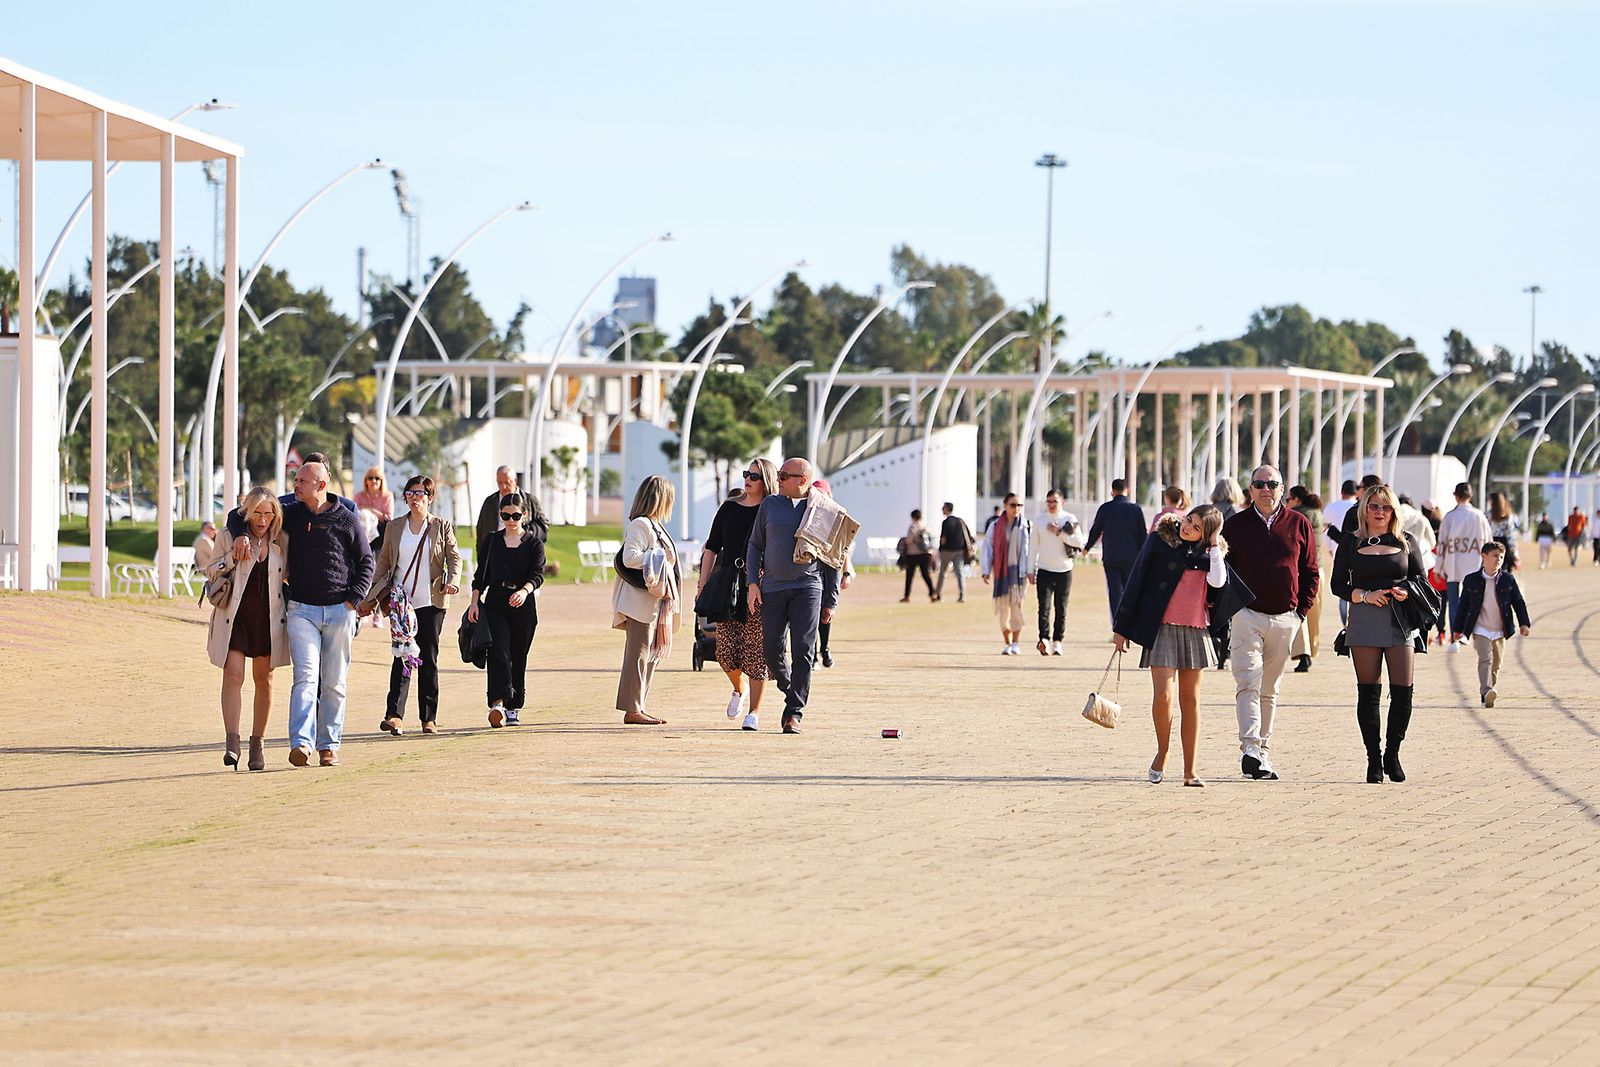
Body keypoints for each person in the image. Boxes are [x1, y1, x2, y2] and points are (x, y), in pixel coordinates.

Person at [1114, 505, 1249, 787]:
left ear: (1207, 534)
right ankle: (1162, 752)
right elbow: (1136, 580)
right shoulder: (1159, 539)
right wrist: (1122, 628)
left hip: (1195, 630)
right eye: (1189, 520)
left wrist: (1214, 545)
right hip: (1161, 628)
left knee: (1191, 701)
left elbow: (1218, 582)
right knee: (1163, 696)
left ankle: (1190, 771)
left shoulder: (1211, 553)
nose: (1188, 527)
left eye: (1197, 527)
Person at [1221, 465, 1319, 781]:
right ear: (1250, 490)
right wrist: (1232, 609)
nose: (1266, 489)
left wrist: (1300, 612)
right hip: (1247, 616)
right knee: (1247, 681)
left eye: (1272, 484)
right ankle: (1250, 749)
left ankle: (1264, 750)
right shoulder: (1234, 526)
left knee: (1269, 688)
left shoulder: (1299, 524)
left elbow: (1311, 572)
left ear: (1282, 489)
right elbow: (1222, 571)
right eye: (1259, 484)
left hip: (1286, 618)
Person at [274, 461, 373, 768]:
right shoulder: (289, 513)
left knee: (334, 682)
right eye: (296, 478)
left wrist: (353, 600)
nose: (296, 484)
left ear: (320, 484)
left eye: (302, 480)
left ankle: (328, 746)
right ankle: (301, 743)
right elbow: (243, 517)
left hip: (340, 611)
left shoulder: (346, 518)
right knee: (304, 678)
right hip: (301, 610)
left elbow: (366, 561)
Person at [1330, 484, 1426, 784]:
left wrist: (1405, 590)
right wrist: (1363, 595)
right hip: (1364, 618)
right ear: (1364, 509)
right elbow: (1336, 585)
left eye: (1386, 507)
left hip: (1400, 620)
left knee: (1403, 691)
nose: (1380, 512)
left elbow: (1421, 579)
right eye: (1374, 506)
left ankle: (1392, 754)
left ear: (1394, 511)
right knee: (1368, 693)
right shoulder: (1350, 542)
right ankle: (1373, 758)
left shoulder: (1407, 541)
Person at [745, 458, 841, 734]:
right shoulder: (770, 505)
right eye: (779, 474)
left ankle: (793, 713)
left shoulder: (822, 509)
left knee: (803, 650)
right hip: (772, 588)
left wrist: (830, 600)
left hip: (808, 587)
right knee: (771, 651)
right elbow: (755, 545)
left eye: (785, 476)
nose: (779, 479)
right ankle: (791, 689)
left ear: (803, 480)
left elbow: (833, 557)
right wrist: (753, 583)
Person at [361, 476, 461, 736]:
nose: (415, 497)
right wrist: (372, 594)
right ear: (405, 497)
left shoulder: (441, 526)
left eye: (421, 493)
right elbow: (383, 563)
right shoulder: (395, 527)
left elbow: (454, 557)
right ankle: (394, 715)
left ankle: (428, 718)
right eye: (410, 492)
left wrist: (452, 581)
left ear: (430, 498)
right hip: (401, 603)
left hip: (431, 601)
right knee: (402, 654)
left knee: (428, 658)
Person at [204, 488, 289, 771]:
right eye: (257, 514)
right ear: (247, 513)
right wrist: (233, 558)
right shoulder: (229, 535)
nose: (262, 520)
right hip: (235, 615)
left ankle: (258, 745)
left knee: (264, 679)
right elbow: (211, 570)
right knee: (233, 674)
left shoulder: (282, 540)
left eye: (268, 513)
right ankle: (232, 742)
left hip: (268, 617)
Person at [697, 459, 776, 731]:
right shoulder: (729, 508)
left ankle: (754, 712)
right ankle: (738, 689)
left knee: (756, 651)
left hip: (761, 584)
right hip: (729, 583)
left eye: (754, 476)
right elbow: (711, 548)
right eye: (746, 474)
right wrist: (702, 584)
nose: (748, 479)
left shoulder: (772, 510)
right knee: (724, 652)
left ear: (766, 480)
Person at [468, 491, 545, 727]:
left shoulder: (533, 543)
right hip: (496, 601)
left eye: (515, 515)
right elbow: (480, 575)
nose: (510, 520)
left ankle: (514, 706)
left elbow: (538, 574)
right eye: (505, 515)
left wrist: (524, 591)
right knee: (499, 652)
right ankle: (497, 704)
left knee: (518, 654)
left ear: (525, 515)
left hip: (523, 602)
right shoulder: (492, 540)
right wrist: (474, 602)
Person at [614, 476, 681, 725]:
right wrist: (658, 558)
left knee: (649, 655)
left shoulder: (654, 525)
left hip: (655, 603)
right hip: (641, 601)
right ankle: (632, 710)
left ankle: (638, 705)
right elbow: (630, 557)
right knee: (638, 655)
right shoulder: (641, 525)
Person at [1452, 541, 1531, 707]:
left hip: (1500, 629)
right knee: (1485, 659)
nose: (1498, 560)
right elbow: (1463, 605)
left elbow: (1518, 602)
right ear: (1484, 557)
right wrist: (1458, 629)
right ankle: (1487, 690)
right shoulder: (1471, 580)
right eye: (1495, 556)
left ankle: (1487, 693)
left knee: (1496, 665)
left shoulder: (1508, 580)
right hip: (1480, 628)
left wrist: (1524, 623)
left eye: (1501, 557)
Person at [1436, 482, 1492, 647]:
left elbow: (1442, 545)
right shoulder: (1479, 516)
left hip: (1452, 564)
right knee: (1475, 600)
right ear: (1471, 495)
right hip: (1474, 563)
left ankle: (1456, 633)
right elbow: (1489, 542)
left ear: (1456, 496)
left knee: (1454, 602)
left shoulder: (1449, 517)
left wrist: (1438, 568)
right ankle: (1472, 632)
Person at [1031, 489, 1085, 656]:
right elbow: (1032, 548)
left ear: (1062, 502)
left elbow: (1079, 542)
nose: (1052, 505)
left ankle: (1058, 641)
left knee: (1061, 607)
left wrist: (1059, 533)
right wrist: (1029, 569)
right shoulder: (1039, 521)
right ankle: (1044, 639)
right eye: (1049, 502)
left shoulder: (1069, 519)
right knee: (1044, 607)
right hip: (1044, 569)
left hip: (1064, 569)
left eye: (1055, 501)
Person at [1083, 478, 1146, 621]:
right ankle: (1130, 624)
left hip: (1111, 557)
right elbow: (1142, 535)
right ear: (1127, 490)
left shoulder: (1105, 508)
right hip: (1132, 558)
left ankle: (1118, 625)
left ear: (1112, 491)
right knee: (1130, 591)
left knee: (1115, 592)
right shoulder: (1136, 509)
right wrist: (1145, 555)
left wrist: (1087, 548)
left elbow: (1096, 530)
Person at [980, 493, 1033, 655]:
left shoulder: (1027, 526)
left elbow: (1032, 550)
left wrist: (1032, 570)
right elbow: (987, 548)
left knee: (1017, 607)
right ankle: (1007, 642)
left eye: (1019, 505)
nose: (1016, 508)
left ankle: (1016, 642)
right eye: (1013, 505)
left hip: (1020, 573)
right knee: (1003, 609)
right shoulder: (996, 526)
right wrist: (986, 570)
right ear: (1005, 505)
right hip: (1001, 573)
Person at [809, 477, 851, 669]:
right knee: (810, 615)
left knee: (825, 612)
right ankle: (813, 655)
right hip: (810, 575)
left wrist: (847, 572)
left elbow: (843, 550)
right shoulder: (807, 516)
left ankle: (824, 648)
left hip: (829, 572)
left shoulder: (838, 516)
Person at [1287, 486, 1324, 673]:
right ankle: (1312, 648)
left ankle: (1304, 654)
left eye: (1288, 499)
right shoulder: (1317, 512)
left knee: (1299, 612)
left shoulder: (1295, 515)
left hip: (1301, 571)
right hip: (1319, 568)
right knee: (1313, 615)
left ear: (1296, 499)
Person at [476, 465, 550, 547]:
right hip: (496, 550)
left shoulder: (530, 500)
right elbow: (480, 530)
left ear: (515, 481)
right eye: (500, 483)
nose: (503, 487)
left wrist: (529, 532)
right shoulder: (490, 502)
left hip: (523, 550)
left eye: (507, 482)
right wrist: (482, 555)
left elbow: (544, 524)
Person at [935, 502, 975, 604]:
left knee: (943, 573)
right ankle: (962, 595)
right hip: (959, 551)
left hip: (947, 551)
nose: (942, 510)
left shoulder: (946, 522)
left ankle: (938, 594)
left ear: (947, 509)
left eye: (943, 508)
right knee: (959, 573)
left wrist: (940, 549)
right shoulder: (960, 521)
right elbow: (968, 535)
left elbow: (943, 539)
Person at [899, 509, 936, 602]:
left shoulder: (913, 527)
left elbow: (909, 540)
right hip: (926, 554)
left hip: (913, 554)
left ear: (913, 517)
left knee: (910, 576)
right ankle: (932, 593)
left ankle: (907, 596)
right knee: (926, 574)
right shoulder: (926, 527)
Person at [354, 466, 394, 547]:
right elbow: (354, 514)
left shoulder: (387, 496)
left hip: (381, 534)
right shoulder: (359, 496)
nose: (374, 481)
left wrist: (370, 510)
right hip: (362, 532)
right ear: (366, 481)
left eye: (377, 478)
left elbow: (388, 518)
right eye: (370, 478)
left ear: (381, 481)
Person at [1487, 491, 1521, 570]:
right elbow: (1511, 538)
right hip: (1504, 546)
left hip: (1490, 544)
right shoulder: (1509, 517)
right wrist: (1515, 555)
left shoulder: (1487, 516)